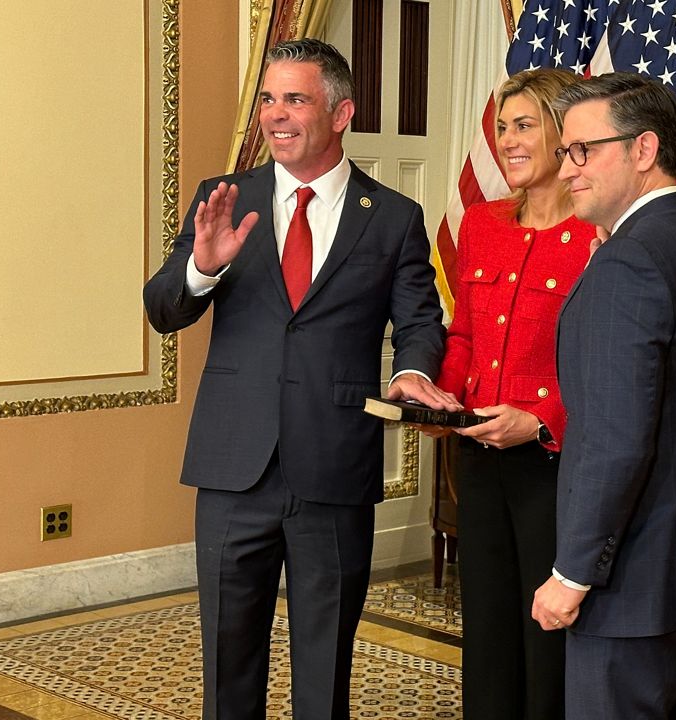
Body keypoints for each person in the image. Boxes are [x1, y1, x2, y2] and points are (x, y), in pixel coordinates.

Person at [143, 39, 458, 720]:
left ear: (341, 112)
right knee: (228, 659)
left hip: (334, 464)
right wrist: (202, 266)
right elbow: (163, 309)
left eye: (295, 99)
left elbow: (421, 321)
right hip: (233, 468)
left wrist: (411, 370)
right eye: (267, 99)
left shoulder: (394, 217)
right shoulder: (224, 200)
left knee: (325, 665)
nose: (275, 116)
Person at [530, 72, 676, 720]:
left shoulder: (629, 266)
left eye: (583, 150)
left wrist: (572, 575)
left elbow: (615, 442)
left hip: (633, 582)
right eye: (564, 151)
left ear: (643, 150)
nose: (566, 169)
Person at [430, 68, 593, 720]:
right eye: (501, 127)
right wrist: (439, 402)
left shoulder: (596, 230)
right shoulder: (482, 223)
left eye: (523, 125)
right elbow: (465, 332)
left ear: (563, 134)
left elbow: (609, 364)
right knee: (488, 626)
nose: (507, 141)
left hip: (553, 466)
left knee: (547, 631)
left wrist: (542, 420)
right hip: (477, 455)